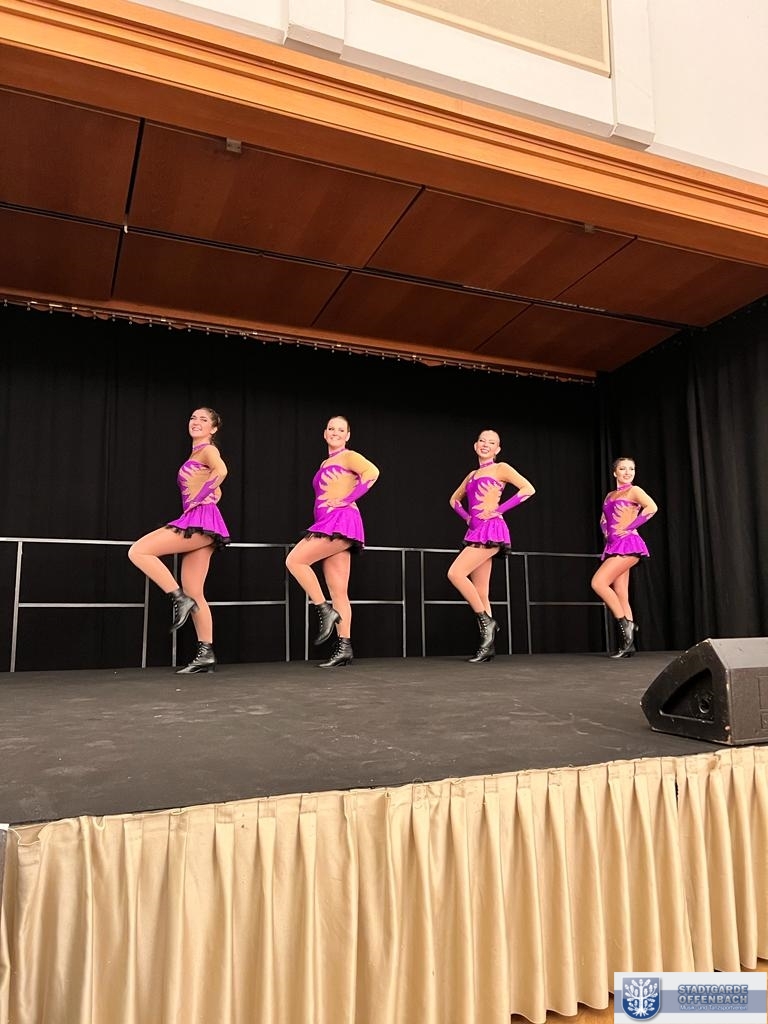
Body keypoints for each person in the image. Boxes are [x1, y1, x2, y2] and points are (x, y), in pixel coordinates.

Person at [128, 407, 230, 674]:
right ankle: (206, 653)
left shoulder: (208, 450)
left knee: (139, 551)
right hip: (204, 521)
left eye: (203, 419)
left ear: (213, 428)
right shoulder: (196, 455)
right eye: (193, 418)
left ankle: (178, 598)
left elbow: (221, 470)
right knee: (195, 591)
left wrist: (201, 497)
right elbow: (217, 488)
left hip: (200, 521)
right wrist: (210, 493)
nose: (196, 422)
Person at [285, 414, 379, 668]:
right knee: (339, 591)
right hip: (329, 523)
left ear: (347, 435)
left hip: (340, 522)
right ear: (325, 433)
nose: (335, 433)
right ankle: (344, 647)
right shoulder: (326, 462)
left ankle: (323, 609)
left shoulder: (349, 456)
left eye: (340, 430)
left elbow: (372, 472)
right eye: (331, 429)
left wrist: (348, 499)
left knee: (295, 561)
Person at [447, 429, 535, 663]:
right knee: (481, 592)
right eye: (482, 441)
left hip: (492, 529)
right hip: (475, 532)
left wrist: (499, 510)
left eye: (491, 442)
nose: (486, 445)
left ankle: (487, 622)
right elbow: (454, 500)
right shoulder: (472, 474)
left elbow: (528, 489)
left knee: (455, 573)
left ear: (498, 449)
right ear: (475, 445)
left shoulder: (500, 468)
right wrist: (467, 517)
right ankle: (487, 646)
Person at [591, 456, 657, 659]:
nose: (628, 472)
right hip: (614, 545)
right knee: (621, 593)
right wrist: (607, 533)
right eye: (623, 468)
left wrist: (628, 528)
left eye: (631, 469)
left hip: (629, 544)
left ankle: (625, 623)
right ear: (615, 472)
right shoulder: (610, 495)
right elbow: (604, 519)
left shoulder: (634, 491)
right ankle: (628, 645)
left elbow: (652, 508)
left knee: (598, 583)